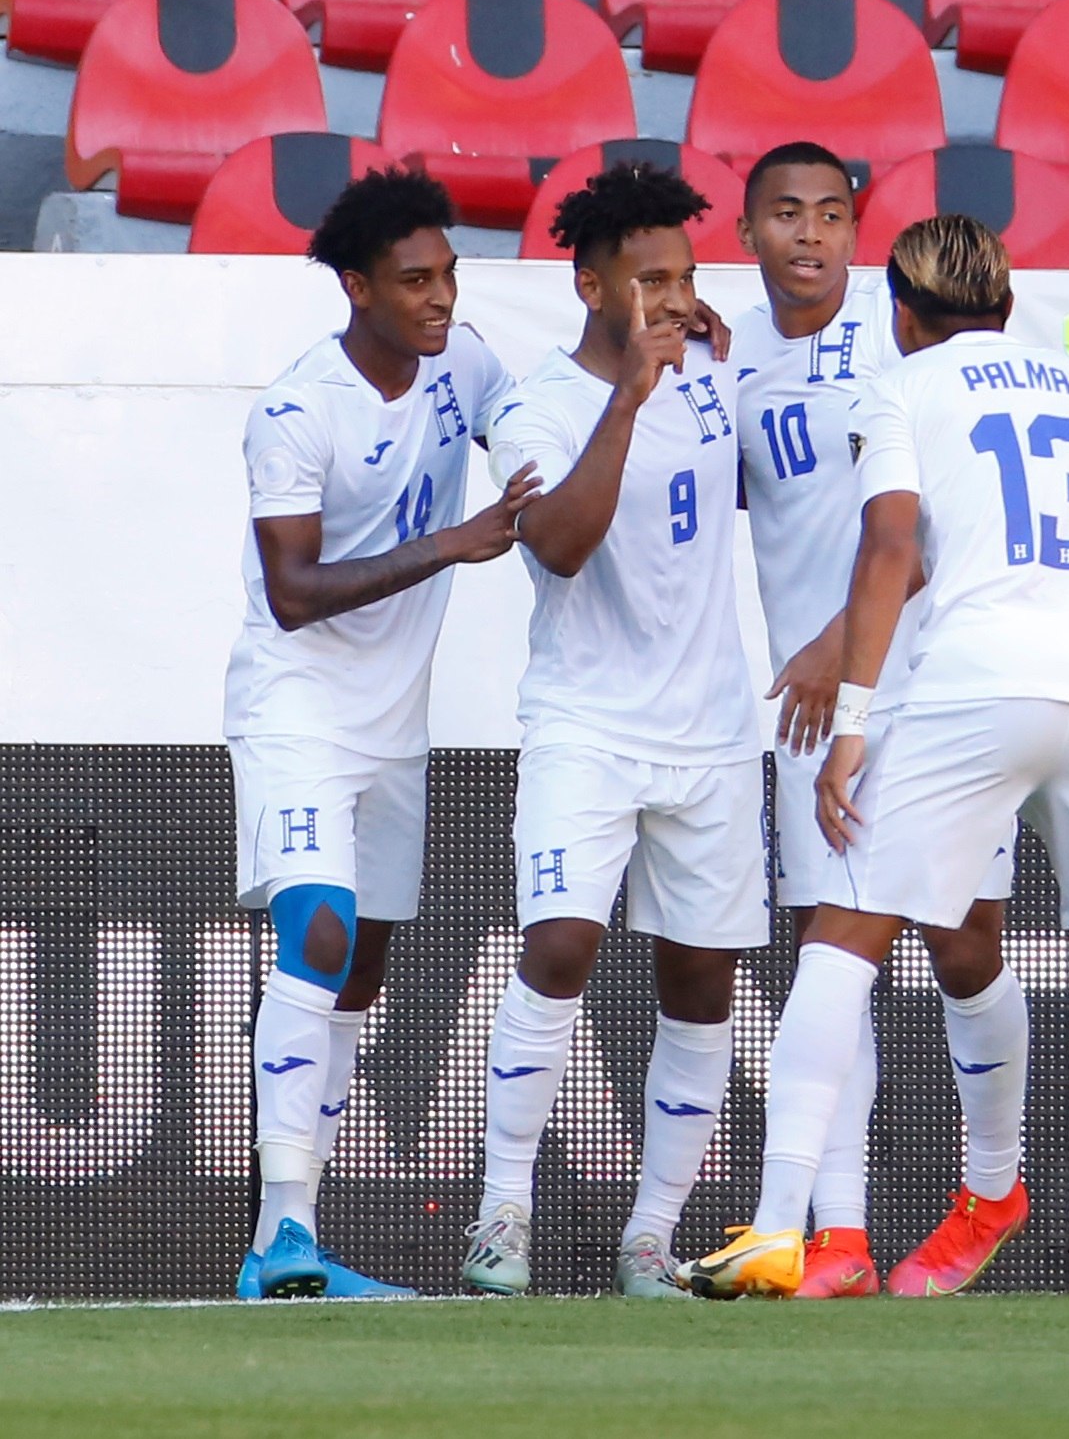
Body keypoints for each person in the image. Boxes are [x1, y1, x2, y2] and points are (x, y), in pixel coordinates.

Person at [684, 214, 1069, 1303]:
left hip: (976, 689)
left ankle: (781, 1226)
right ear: (1010, 304)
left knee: (843, 940)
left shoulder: (905, 390)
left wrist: (851, 724)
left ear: (901, 313)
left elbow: (894, 545)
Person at [725, 143, 1033, 1300]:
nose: (809, 235)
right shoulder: (729, 356)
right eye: (785, 215)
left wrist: (829, 647)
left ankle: (992, 1184)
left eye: (831, 216)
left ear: (858, 233)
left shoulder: (907, 338)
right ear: (748, 230)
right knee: (833, 954)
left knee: (966, 950)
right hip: (824, 713)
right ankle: (838, 1238)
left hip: (931, 685)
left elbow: (918, 530)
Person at [226, 167, 538, 1300]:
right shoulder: (299, 409)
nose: (441, 297)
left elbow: (525, 424)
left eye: (448, 274)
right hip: (299, 707)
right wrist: (452, 544)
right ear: (355, 287)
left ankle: (290, 1236)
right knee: (318, 929)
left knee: (357, 971)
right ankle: (281, 1239)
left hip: (394, 727)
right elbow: (295, 588)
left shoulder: (467, 361)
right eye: (415, 280)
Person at [461, 163, 766, 1299]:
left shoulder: (719, 377)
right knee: (560, 947)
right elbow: (561, 544)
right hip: (586, 723)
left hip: (715, 734)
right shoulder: (538, 403)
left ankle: (652, 1237)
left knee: (702, 982)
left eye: (685, 277)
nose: (676, 300)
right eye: (651, 281)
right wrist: (631, 396)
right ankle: (503, 1212)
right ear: (590, 285)